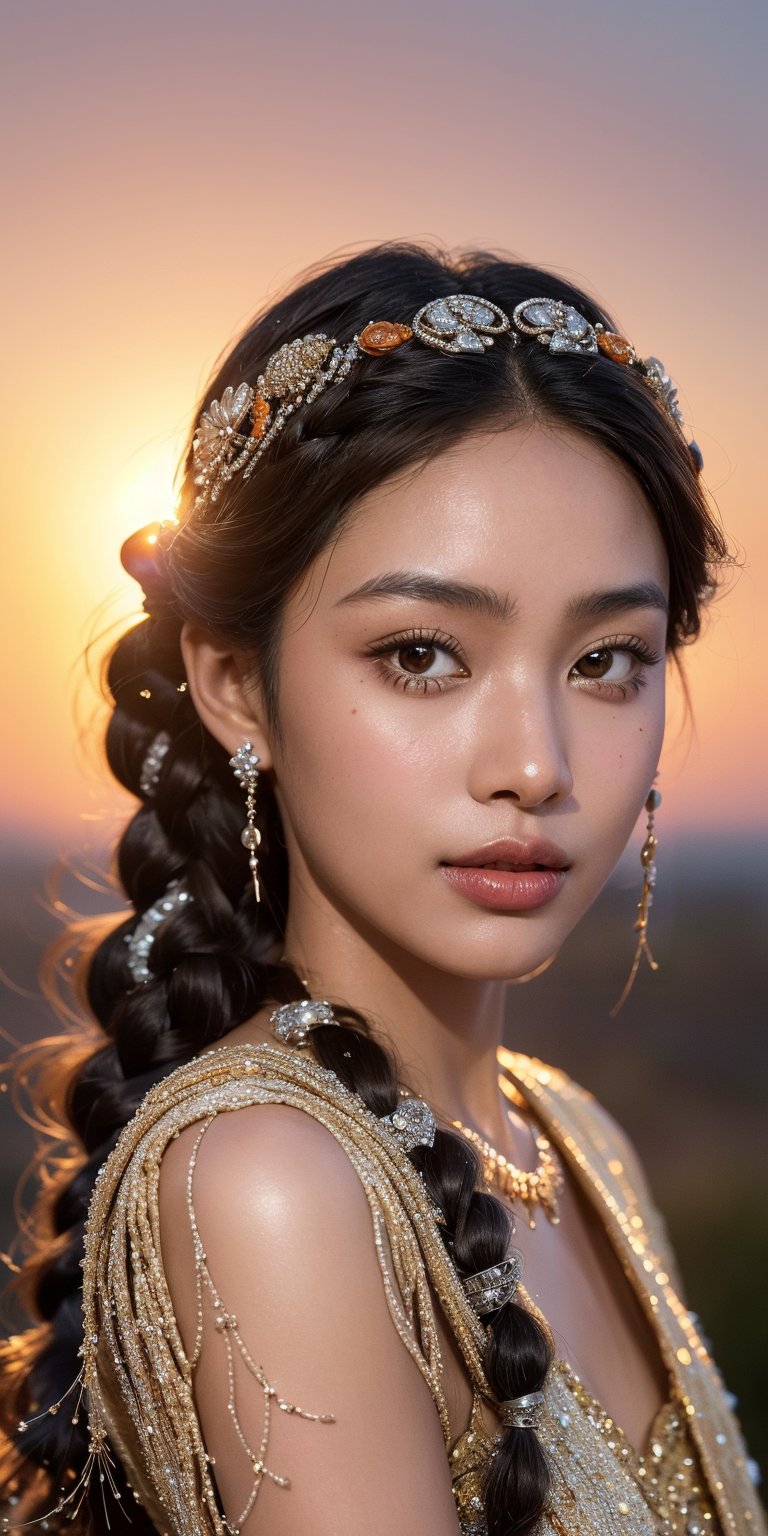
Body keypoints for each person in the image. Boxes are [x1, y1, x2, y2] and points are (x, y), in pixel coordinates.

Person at [0, 241, 763, 1536]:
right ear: (237, 682)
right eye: (422, 654)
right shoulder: (268, 1180)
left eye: (607, 659)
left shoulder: (576, 1142)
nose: (535, 764)